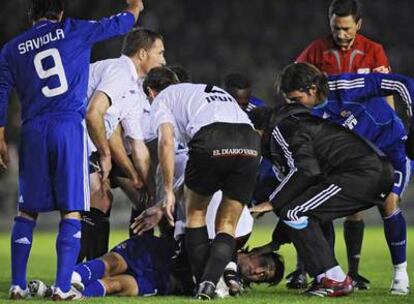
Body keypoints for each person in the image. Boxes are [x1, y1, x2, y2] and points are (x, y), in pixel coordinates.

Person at [0, 0, 144, 300]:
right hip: (67, 126)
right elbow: (119, 25)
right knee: (72, 210)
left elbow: (1, 93)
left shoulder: (12, 49)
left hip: (32, 129)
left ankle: (17, 285)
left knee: (26, 212)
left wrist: (0, 135)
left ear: (32, 17)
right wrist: (134, 8)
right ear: (60, 13)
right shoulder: (74, 29)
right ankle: (63, 287)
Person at [274, 63, 413, 295]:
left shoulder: (348, 86)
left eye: (295, 99)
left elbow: (403, 83)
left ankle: (400, 274)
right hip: (361, 163)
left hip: (392, 147)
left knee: (389, 204)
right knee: (316, 205)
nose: (292, 105)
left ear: (312, 88)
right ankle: (328, 274)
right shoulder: (307, 114)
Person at [133, 67, 261, 300]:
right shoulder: (202, 89)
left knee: (195, 214)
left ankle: (203, 284)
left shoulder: (162, 98)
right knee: (227, 225)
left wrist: (168, 192)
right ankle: (212, 282)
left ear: (151, 92)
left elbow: (166, 143)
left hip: (213, 138)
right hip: (250, 141)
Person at [248, 98, 394, 297]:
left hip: (361, 173)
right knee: (299, 212)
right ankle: (324, 277)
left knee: (293, 212)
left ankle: (335, 279)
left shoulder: (280, 130)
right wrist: (276, 241)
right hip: (369, 172)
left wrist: (273, 201)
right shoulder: (293, 123)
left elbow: (306, 171)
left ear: (258, 131)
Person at [295, 0, 394, 289]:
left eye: (347, 28)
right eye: (336, 28)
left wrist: (389, 132)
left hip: (362, 136)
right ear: (330, 23)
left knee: (355, 206)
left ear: (358, 25)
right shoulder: (314, 51)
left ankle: (354, 270)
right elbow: (295, 82)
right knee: (312, 199)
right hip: (326, 138)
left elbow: (386, 94)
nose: (341, 34)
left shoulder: (374, 51)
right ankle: (308, 268)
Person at [80, 28, 166, 261]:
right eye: (159, 53)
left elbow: (138, 147)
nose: (163, 60)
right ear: (142, 54)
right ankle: (76, 274)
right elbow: (93, 114)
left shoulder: (134, 87)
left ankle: (89, 269)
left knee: (102, 199)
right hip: (73, 138)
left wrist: (147, 186)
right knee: (95, 199)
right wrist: (107, 155)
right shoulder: (119, 72)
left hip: (87, 144)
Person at [28, 233, 285, 299]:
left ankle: (60, 292)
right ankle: (61, 285)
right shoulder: (232, 236)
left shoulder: (231, 288)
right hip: (156, 252)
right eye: (263, 264)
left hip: (162, 282)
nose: (259, 272)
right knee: (111, 265)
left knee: (116, 285)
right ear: (255, 252)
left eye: (264, 277)